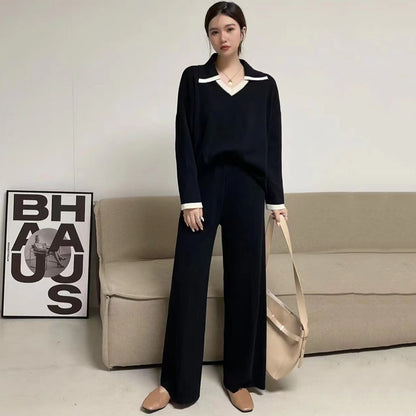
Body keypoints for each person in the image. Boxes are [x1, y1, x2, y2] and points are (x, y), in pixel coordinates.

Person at [142, 1, 288, 412]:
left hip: (248, 191)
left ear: (243, 32)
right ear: (208, 36)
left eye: (229, 29)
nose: (222, 37)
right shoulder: (195, 79)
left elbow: (272, 144)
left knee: (246, 282)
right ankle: (174, 384)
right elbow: (184, 139)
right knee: (188, 283)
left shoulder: (264, 84)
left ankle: (239, 378)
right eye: (214, 31)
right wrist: (190, 197)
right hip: (203, 190)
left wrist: (276, 200)